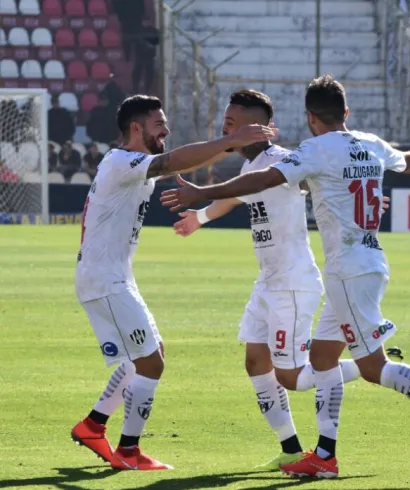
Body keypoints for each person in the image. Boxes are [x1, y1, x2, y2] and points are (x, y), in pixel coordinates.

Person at [159, 75, 410, 479]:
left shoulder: (315, 150)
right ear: (345, 112)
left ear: (311, 118)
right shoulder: (370, 143)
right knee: (323, 358)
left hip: (348, 270)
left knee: (372, 367)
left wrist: (202, 194)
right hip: (357, 265)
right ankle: (325, 456)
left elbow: (265, 178)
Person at [71, 95, 276, 471]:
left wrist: (232, 145)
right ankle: (128, 451)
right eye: (158, 123)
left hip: (114, 276)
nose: (165, 129)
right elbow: (172, 160)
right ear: (136, 127)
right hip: (104, 278)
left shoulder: (133, 165)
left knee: (151, 354)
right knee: (151, 363)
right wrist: (231, 141)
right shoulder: (122, 162)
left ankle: (93, 425)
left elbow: (184, 159)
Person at [171, 89, 365, 470]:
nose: (224, 131)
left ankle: (366, 364)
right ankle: (291, 448)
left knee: (291, 376)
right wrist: (199, 219)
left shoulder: (281, 160)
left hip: (293, 283)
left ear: (255, 128)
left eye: (230, 124)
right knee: (256, 361)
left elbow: (314, 180)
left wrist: (355, 197)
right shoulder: (250, 169)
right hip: (268, 283)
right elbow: (233, 198)